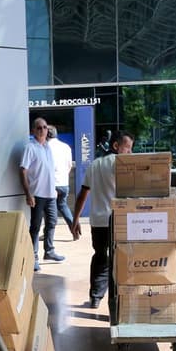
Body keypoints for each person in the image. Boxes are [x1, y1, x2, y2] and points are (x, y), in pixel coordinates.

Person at [71, 130, 134, 309]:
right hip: (118, 220)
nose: (130, 153)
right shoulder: (122, 164)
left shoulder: (94, 165)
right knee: (119, 262)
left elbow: (83, 194)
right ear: (116, 146)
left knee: (100, 257)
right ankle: (115, 303)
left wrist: (75, 219)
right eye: (127, 148)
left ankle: (95, 297)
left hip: (97, 222)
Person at [20, 117, 65, 272]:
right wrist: (28, 194)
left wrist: (55, 188)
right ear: (33, 130)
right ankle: (34, 257)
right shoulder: (30, 147)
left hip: (50, 194)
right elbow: (23, 170)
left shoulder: (47, 147)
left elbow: (50, 170)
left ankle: (49, 251)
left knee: (52, 222)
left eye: (45, 127)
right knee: (36, 227)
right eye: (39, 128)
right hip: (37, 194)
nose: (42, 130)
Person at [47, 125, 74, 230]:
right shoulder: (66, 146)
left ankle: (48, 234)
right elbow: (69, 165)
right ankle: (74, 230)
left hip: (52, 184)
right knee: (63, 206)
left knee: (50, 210)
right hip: (64, 183)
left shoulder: (46, 147)